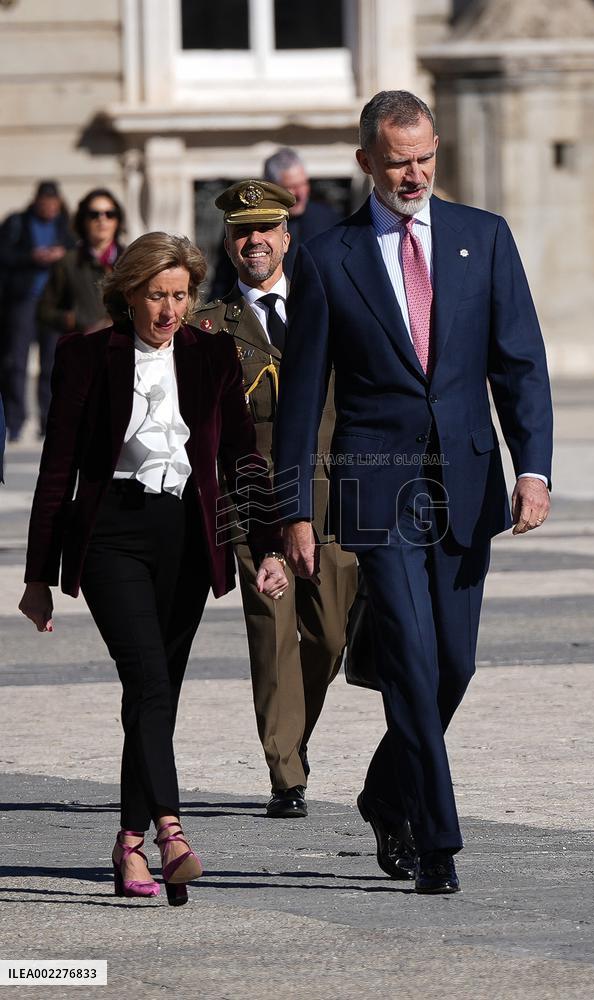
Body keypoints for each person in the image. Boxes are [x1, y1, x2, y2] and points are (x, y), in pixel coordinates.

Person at [274, 91, 553, 894]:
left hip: (465, 483)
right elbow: (301, 397)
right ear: (366, 161)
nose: (415, 173)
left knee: (454, 665)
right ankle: (437, 841)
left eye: (425, 156)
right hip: (377, 489)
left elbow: (520, 364)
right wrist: (294, 508)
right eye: (399, 160)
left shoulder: (483, 239)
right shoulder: (328, 258)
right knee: (410, 656)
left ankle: (384, 792)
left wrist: (533, 468)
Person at [19, 232, 288, 906]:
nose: (170, 310)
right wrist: (37, 576)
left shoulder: (212, 354)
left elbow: (243, 460)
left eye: (180, 296)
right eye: (156, 296)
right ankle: (172, 834)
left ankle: (128, 843)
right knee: (145, 678)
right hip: (110, 532)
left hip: (187, 540)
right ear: (128, 294)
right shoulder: (87, 356)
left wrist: (270, 545)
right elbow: (58, 469)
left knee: (155, 694)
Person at [195, 180, 357, 818]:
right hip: (254, 498)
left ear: (288, 237)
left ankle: (293, 737)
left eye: (266, 230)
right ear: (228, 245)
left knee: (329, 633)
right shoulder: (208, 330)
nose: (254, 242)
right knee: (272, 629)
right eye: (241, 233)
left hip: (333, 494)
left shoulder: (334, 310)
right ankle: (285, 772)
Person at [0, 180, 74, 440]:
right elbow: (4, 254)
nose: (50, 208)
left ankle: (47, 420)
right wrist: (33, 256)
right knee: (16, 362)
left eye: (54, 203)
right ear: (37, 201)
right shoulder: (17, 223)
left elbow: (76, 255)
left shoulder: (66, 226)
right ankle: (15, 421)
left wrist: (61, 253)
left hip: (53, 303)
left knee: (52, 364)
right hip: (23, 300)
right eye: (45, 202)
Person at [211, 149, 339, 298]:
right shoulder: (242, 225)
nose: (300, 193)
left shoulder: (327, 219)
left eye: (303, 184)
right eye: (290, 187)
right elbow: (223, 279)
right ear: (271, 188)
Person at [38, 188, 125, 337]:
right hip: (83, 346)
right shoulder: (68, 262)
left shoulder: (131, 259)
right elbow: (44, 309)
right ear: (83, 220)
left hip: (123, 344)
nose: (102, 219)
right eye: (94, 214)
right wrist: (69, 319)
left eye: (110, 214)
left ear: (117, 220)